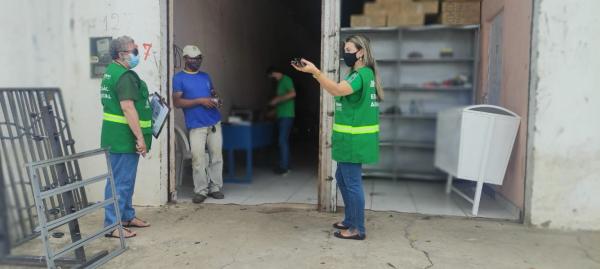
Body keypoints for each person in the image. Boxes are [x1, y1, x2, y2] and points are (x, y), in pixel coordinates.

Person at [292, 35, 383, 240]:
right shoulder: (358, 74)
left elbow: (336, 90)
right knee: (343, 178)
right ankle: (350, 220)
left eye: (349, 50)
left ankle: (357, 228)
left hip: (354, 139)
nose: (345, 53)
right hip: (349, 138)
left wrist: (315, 72)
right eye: (345, 49)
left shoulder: (361, 75)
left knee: (351, 182)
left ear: (361, 52)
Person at [101, 35, 153, 238]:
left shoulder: (112, 72)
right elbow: (128, 107)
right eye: (134, 51)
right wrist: (140, 138)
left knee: (126, 180)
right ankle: (112, 225)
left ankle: (126, 216)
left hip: (117, 136)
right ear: (122, 54)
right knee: (120, 182)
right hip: (123, 138)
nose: (136, 54)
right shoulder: (124, 76)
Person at [172, 45, 224, 204]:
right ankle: (201, 190)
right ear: (186, 59)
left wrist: (216, 100)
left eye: (199, 58)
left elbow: (213, 93)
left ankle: (215, 187)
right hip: (196, 125)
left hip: (214, 122)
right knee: (198, 158)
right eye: (193, 59)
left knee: (216, 156)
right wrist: (200, 101)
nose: (196, 61)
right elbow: (177, 102)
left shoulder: (205, 76)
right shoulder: (179, 78)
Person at [267, 67, 296, 175]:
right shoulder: (280, 83)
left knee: (282, 140)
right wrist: (273, 111)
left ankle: (284, 167)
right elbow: (281, 102)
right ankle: (286, 164)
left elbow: (293, 94)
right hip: (282, 115)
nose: (273, 78)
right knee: (283, 141)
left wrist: (277, 100)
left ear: (275, 72)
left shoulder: (286, 80)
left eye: (272, 76)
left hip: (287, 116)